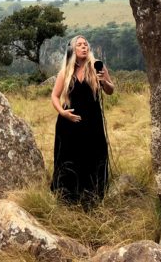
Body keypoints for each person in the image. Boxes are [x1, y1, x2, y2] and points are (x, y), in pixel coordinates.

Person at [50, 35, 114, 208]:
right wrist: (63, 113)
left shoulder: (96, 66)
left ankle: (92, 197)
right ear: (72, 49)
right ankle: (68, 198)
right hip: (69, 124)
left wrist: (103, 81)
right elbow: (55, 96)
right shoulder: (65, 72)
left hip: (92, 122)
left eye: (85, 44)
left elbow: (110, 90)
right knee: (69, 158)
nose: (84, 47)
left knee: (93, 156)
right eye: (79, 45)